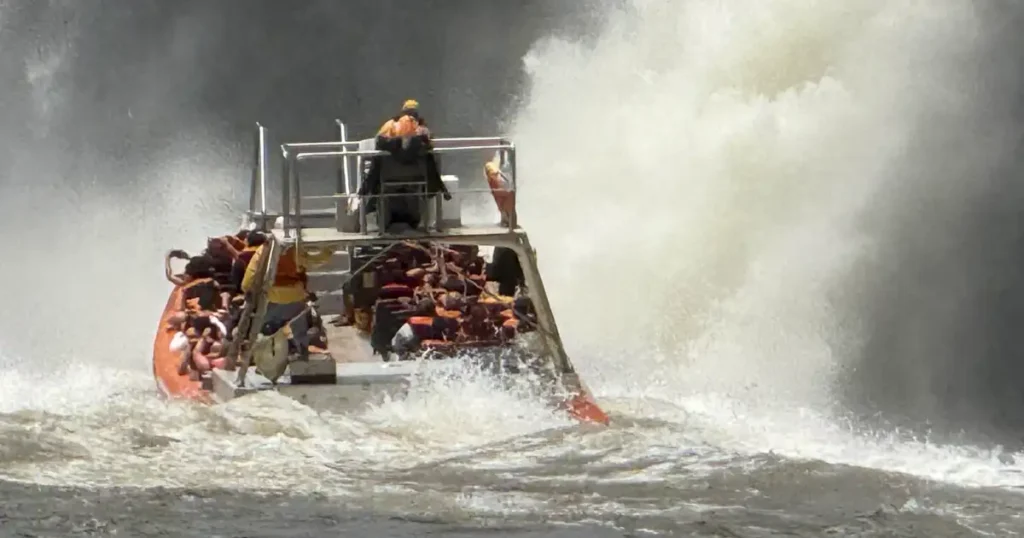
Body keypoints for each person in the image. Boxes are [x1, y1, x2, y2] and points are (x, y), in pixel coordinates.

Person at [355, 99, 451, 230]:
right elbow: (431, 150)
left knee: (374, 177)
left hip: (387, 178)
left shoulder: (389, 127)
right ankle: (425, 221)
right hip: (417, 179)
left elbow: (377, 146)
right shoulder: (423, 132)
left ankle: (369, 205)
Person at [241, 243, 335, 360]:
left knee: (265, 330)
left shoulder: (263, 251)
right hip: (295, 295)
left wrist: (249, 293)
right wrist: (329, 250)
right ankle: (303, 353)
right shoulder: (295, 250)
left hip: (271, 297)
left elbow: (248, 280)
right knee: (300, 330)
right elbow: (315, 261)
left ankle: (263, 358)